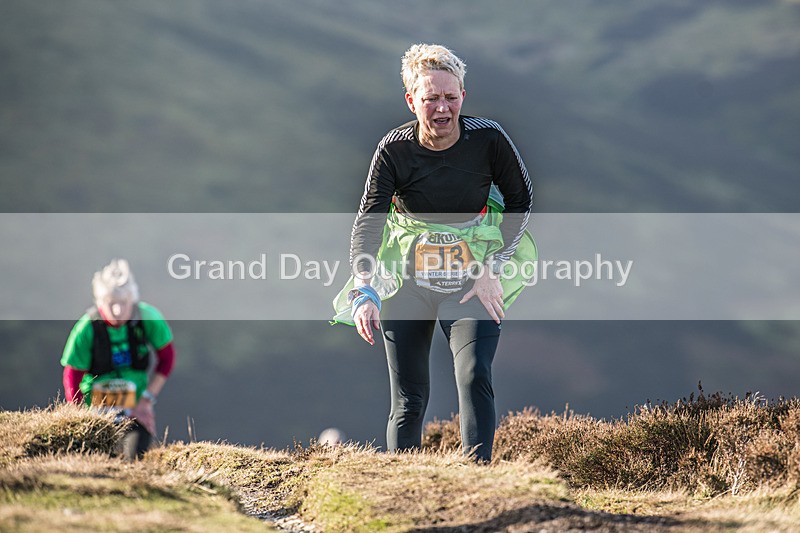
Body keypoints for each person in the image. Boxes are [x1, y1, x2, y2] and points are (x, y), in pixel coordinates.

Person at [334, 44, 535, 463]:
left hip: (471, 278)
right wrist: (365, 290)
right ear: (411, 100)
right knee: (409, 398)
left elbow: (521, 201)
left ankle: (476, 480)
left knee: (475, 373)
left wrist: (491, 269)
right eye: (431, 99)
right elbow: (369, 221)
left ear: (463, 94)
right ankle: (403, 488)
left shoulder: (489, 139)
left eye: (451, 97)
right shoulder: (394, 149)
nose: (442, 108)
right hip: (408, 281)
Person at [61, 258, 176, 460]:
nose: (117, 311)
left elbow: (167, 358)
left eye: (123, 304)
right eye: (110, 304)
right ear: (99, 302)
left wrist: (147, 399)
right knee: (95, 462)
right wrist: (79, 417)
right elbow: (72, 375)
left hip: (134, 411)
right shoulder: (86, 328)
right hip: (95, 412)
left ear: (132, 299)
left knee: (132, 460)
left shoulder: (147, 318)